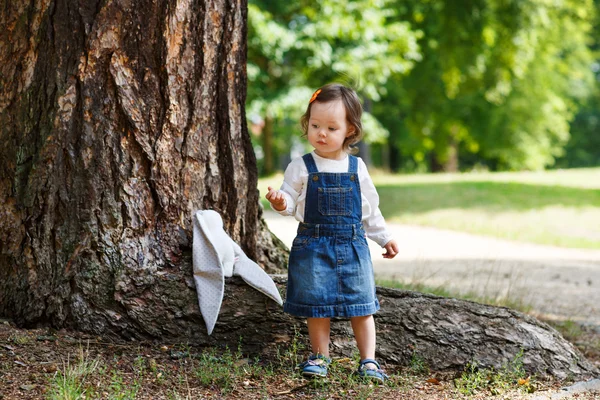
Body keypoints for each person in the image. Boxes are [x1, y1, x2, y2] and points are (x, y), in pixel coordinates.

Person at [265, 83, 399, 382]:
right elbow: (288, 201)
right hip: (313, 247)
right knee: (317, 305)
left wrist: (384, 236)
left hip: (353, 246)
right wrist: (279, 200)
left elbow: (369, 210)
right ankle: (320, 356)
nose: (321, 133)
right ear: (307, 124)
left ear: (350, 130)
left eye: (331, 127)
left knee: (362, 305)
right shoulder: (301, 166)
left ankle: (368, 361)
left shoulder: (357, 167)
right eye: (315, 125)